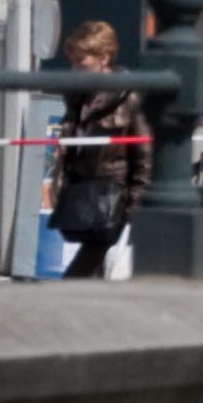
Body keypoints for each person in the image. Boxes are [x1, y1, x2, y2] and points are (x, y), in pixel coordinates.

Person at [49, 19, 149, 279]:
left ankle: (64, 295)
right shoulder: (77, 97)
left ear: (104, 58)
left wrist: (133, 204)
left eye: (81, 61)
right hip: (84, 189)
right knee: (94, 262)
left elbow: (143, 155)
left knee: (90, 256)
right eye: (72, 61)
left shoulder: (129, 97)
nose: (74, 68)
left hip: (113, 191)